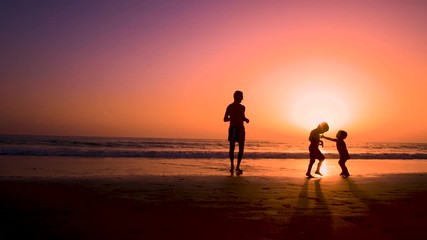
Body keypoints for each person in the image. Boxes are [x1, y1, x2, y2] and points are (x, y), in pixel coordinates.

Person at [224, 90, 249, 174]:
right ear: (236, 97)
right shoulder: (230, 106)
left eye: (242, 96)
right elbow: (225, 119)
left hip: (241, 129)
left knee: (241, 148)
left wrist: (246, 119)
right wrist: (233, 118)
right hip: (233, 128)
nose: (242, 98)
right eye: (241, 96)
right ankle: (232, 165)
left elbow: (243, 117)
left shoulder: (243, 107)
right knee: (232, 148)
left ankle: (238, 166)